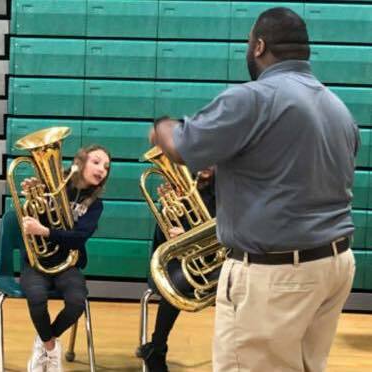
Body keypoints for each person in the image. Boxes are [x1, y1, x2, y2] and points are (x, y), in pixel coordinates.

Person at [150, 7, 358, 372]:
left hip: (276, 276)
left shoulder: (253, 98)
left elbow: (180, 145)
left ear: (259, 46)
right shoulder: (337, 107)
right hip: (333, 265)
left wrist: (163, 127)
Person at [19, 144, 111, 372]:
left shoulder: (95, 206)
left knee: (77, 302)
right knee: (37, 298)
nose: (102, 169)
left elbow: (78, 238)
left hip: (68, 264)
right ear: (79, 162)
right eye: (97, 162)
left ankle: (45, 343)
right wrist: (31, 196)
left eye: (107, 167)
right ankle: (51, 348)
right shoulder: (50, 188)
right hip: (37, 263)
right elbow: (30, 221)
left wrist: (47, 232)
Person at [139, 161, 216, 372]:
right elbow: (161, 239)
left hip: (216, 261)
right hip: (180, 263)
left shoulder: (227, 189)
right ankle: (157, 348)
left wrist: (192, 237)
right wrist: (169, 220)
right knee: (175, 284)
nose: (207, 164)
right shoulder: (178, 189)